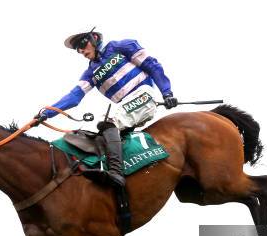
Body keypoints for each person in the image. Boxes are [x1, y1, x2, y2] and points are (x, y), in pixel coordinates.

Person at [34, 28, 177, 187]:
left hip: (144, 95)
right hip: (125, 107)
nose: (80, 50)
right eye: (77, 49)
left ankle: (116, 172)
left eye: (82, 43)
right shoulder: (90, 73)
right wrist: (46, 113)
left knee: (108, 121)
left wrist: (167, 92)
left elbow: (152, 65)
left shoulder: (121, 46)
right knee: (94, 133)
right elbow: (74, 97)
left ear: (94, 38)